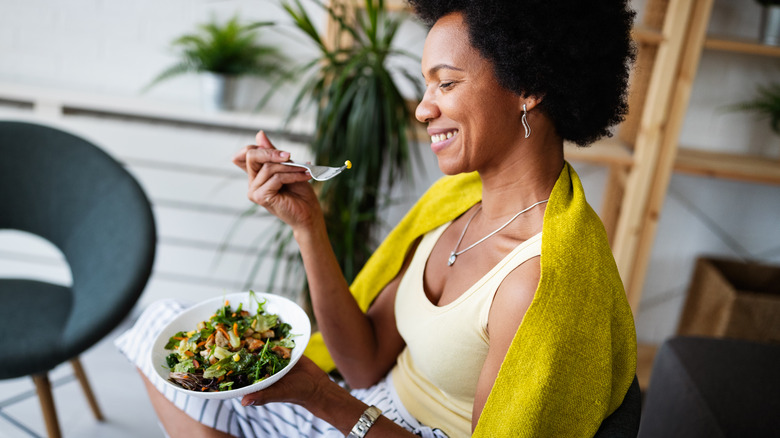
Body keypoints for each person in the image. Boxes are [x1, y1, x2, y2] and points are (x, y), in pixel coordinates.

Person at [116, 0, 637, 437]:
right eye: (425, 86)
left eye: (446, 84)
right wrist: (307, 225)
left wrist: (323, 398)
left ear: (530, 85)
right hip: (362, 404)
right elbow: (363, 362)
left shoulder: (538, 281)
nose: (423, 109)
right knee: (161, 326)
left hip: (374, 423)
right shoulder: (454, 203)